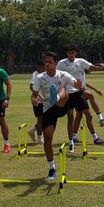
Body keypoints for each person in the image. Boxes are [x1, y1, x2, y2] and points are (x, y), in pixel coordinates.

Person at [31, 52, 81, 181]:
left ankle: (57, 96)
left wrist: (79, 86)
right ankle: (52, 167)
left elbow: (77, 85)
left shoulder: (63, 75)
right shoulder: (39, 77)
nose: (47, 64)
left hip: (62, 105)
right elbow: (34, 93)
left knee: (63, 91)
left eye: (50, 62)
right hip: (48, 109)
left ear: (55, 63)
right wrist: (34, 99)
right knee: (47, 137)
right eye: (45, 62)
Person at [57, 45, 104, 151]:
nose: (71, 54)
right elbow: (57, 77)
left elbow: (92, 68)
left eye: (73, 52)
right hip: (69, 94)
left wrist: (100, 67)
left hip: (80, 92)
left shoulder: (81, 62)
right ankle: (72, 140)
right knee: (72, 118)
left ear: (76, 52)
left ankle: (97, 130)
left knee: (88, 115)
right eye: (69, 52)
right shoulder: (61, 63)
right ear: (66, 53)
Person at [28, 60, 46, 144]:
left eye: (44, 67)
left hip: (45, 100)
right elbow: (31, 86)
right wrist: (38, 95)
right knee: (40, 119)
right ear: (38, 67)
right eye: (42, 67)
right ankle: (39, 138)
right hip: (38, 100)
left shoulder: (45, 73)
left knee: (45, 119)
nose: (44, 69)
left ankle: (32, 130)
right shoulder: (35, 74)